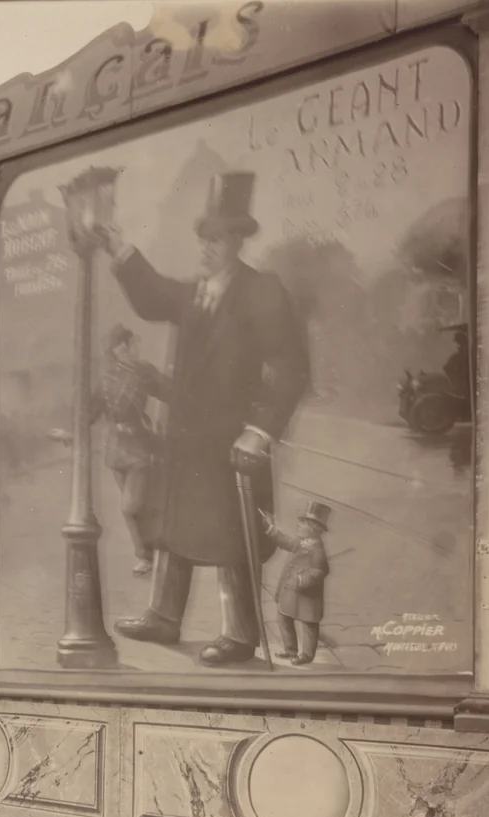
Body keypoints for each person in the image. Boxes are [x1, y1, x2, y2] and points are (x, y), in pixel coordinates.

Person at [93, 171, 310, 667]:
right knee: (174, 526)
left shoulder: (262, 292)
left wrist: (260, 432)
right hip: (187, 440)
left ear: (236, 240)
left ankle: (240, 634)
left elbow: (293, 369)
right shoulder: (195, 293)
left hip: (234, 441)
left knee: (232, 536)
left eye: (216, 238)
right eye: (203, 237)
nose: (206, 247)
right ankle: (164, 616)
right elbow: (151, 296)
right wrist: (119, 248)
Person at [49, 324, 167, 575]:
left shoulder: (144, 372)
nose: (137, 348)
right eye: (133, 344)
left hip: (140, 446)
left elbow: (171, 392)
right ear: (120, 348)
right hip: (115, 450)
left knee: (130, 507)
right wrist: (71, 433)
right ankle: (151, 553)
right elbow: (91, 411)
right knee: (138, 507)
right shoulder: (106, 379)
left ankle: (145, 555)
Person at [260, 501, 331, 667]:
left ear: (313, 529)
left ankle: (306, 654)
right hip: (292, 593)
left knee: (309, 624)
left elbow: (320, 571)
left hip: (307, 597)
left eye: (303, 523)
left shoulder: (317, 551)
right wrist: (272, 530)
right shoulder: (301, 543)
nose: (298, 525)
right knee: (283, 618)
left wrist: (302, 579)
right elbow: (286, 542)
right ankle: (290, 649)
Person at [443, 329, 470, 396]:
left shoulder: (463, 352)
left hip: (463, 382)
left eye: (458, 342)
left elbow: (446, 367)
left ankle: (457, 387)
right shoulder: (463, 351)